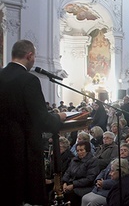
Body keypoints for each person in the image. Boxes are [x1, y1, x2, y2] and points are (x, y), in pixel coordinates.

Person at [0, 39, 67, 205]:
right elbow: (42, 119)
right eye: (34, 56)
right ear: (29, 55)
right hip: (21, 149)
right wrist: (59, 117)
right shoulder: (29, 80)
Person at [62, 140, 99, 206]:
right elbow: (67, 172)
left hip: (85, 187)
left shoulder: (93, 161)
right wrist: (64, 182)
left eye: (81, 150)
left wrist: (73, 185)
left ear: (87, 150)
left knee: (70, 195)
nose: (79, 152)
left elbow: (90, 179)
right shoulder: (74, 160)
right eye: (78, 150)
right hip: (71, 184)